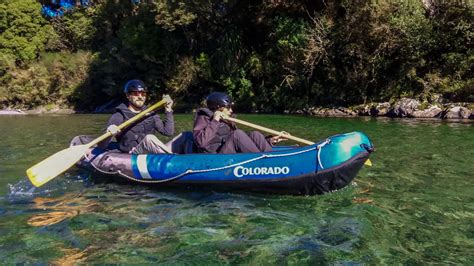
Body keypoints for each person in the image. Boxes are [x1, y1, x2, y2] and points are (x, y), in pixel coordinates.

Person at [193, 92, 285, 154]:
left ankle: (273, 160)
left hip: (228, 150)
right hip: (216, 157)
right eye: (228, 107)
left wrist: (270, 140)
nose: (231, 110)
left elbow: (243, 142)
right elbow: (201, 142)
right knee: (237, 134)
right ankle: (261, 162)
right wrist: (215, 121)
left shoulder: (227, 119)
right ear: (219, 108)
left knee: (255, 134)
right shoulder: (203, 118)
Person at [100, 79, 175, 154]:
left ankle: (177, 158)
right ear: (128, 96)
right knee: (149, 139)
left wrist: (168, 110)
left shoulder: (151, 114)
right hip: (132, 154)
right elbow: (102, 146)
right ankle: (174, 159)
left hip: (150, 153)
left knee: (185, 137)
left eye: (143, 94)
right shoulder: (119, 116)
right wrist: (109, 133)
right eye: (136, 93)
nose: (140, 97)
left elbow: (168, 132)